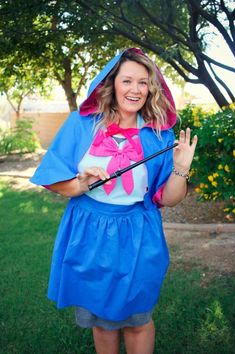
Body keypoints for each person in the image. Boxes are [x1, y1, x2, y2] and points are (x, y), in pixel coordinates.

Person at [31, 47, 197, 354]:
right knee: (102, 320)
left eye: (143, 83)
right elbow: (52, 178)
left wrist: (181, 169)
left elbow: (170, 199)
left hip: (138, 233)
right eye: (127, 81)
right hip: (88, 230)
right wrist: (79, 183)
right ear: (112, 83)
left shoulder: (159, 135)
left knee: (138, 318)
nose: (135, 89)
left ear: (151, 89)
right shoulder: (82, 124)